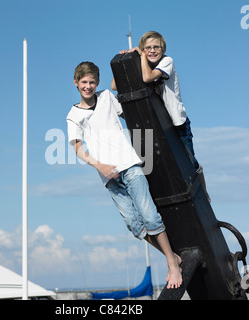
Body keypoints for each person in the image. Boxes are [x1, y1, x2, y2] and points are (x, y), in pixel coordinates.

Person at [67, 61, 182, 289]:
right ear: (76, 83)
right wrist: (100, 166)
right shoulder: (73, 115)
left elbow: (128, 108)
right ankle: (172, 255)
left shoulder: (108, 97)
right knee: (134, 225)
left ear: (97, 83)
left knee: (149, 216)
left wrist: (133, 55)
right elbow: (78, 148)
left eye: (91, 82)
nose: (88, 86)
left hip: (128, 164)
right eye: (84, 82)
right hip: (109, 177)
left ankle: (172, 261)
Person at [111, 31, 210, 201]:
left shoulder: (167, 61)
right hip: (162, 124)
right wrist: (128, 61)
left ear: (163, 49)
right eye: (148, 48)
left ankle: (204, 195)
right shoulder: (144, 62)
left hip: (178, 123)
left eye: (156, 47)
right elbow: (114, 86)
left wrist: (141, 55)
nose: (152, 51)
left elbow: (147, 77)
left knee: (190, 163)